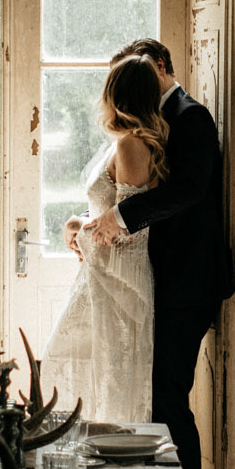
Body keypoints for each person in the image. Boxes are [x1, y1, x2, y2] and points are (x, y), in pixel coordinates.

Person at [69, 38, 235, 469]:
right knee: (151, 396)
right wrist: (90, 221)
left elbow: (189, 190)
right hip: (155, 280)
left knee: (167, 400)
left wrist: (118, 217)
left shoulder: (191, 117)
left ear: (160, 66)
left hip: (186, 282)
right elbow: (137, 192)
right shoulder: (151, 122)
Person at [39, 57, 165, 421]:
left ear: (116, 93)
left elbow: (130, 232)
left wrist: (83, 233)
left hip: (118, 282)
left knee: (104, 375)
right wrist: (80, 221)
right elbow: (111, 211)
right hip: (101, 276)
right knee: (76, 367)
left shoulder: (132, 145)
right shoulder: (123, 143)